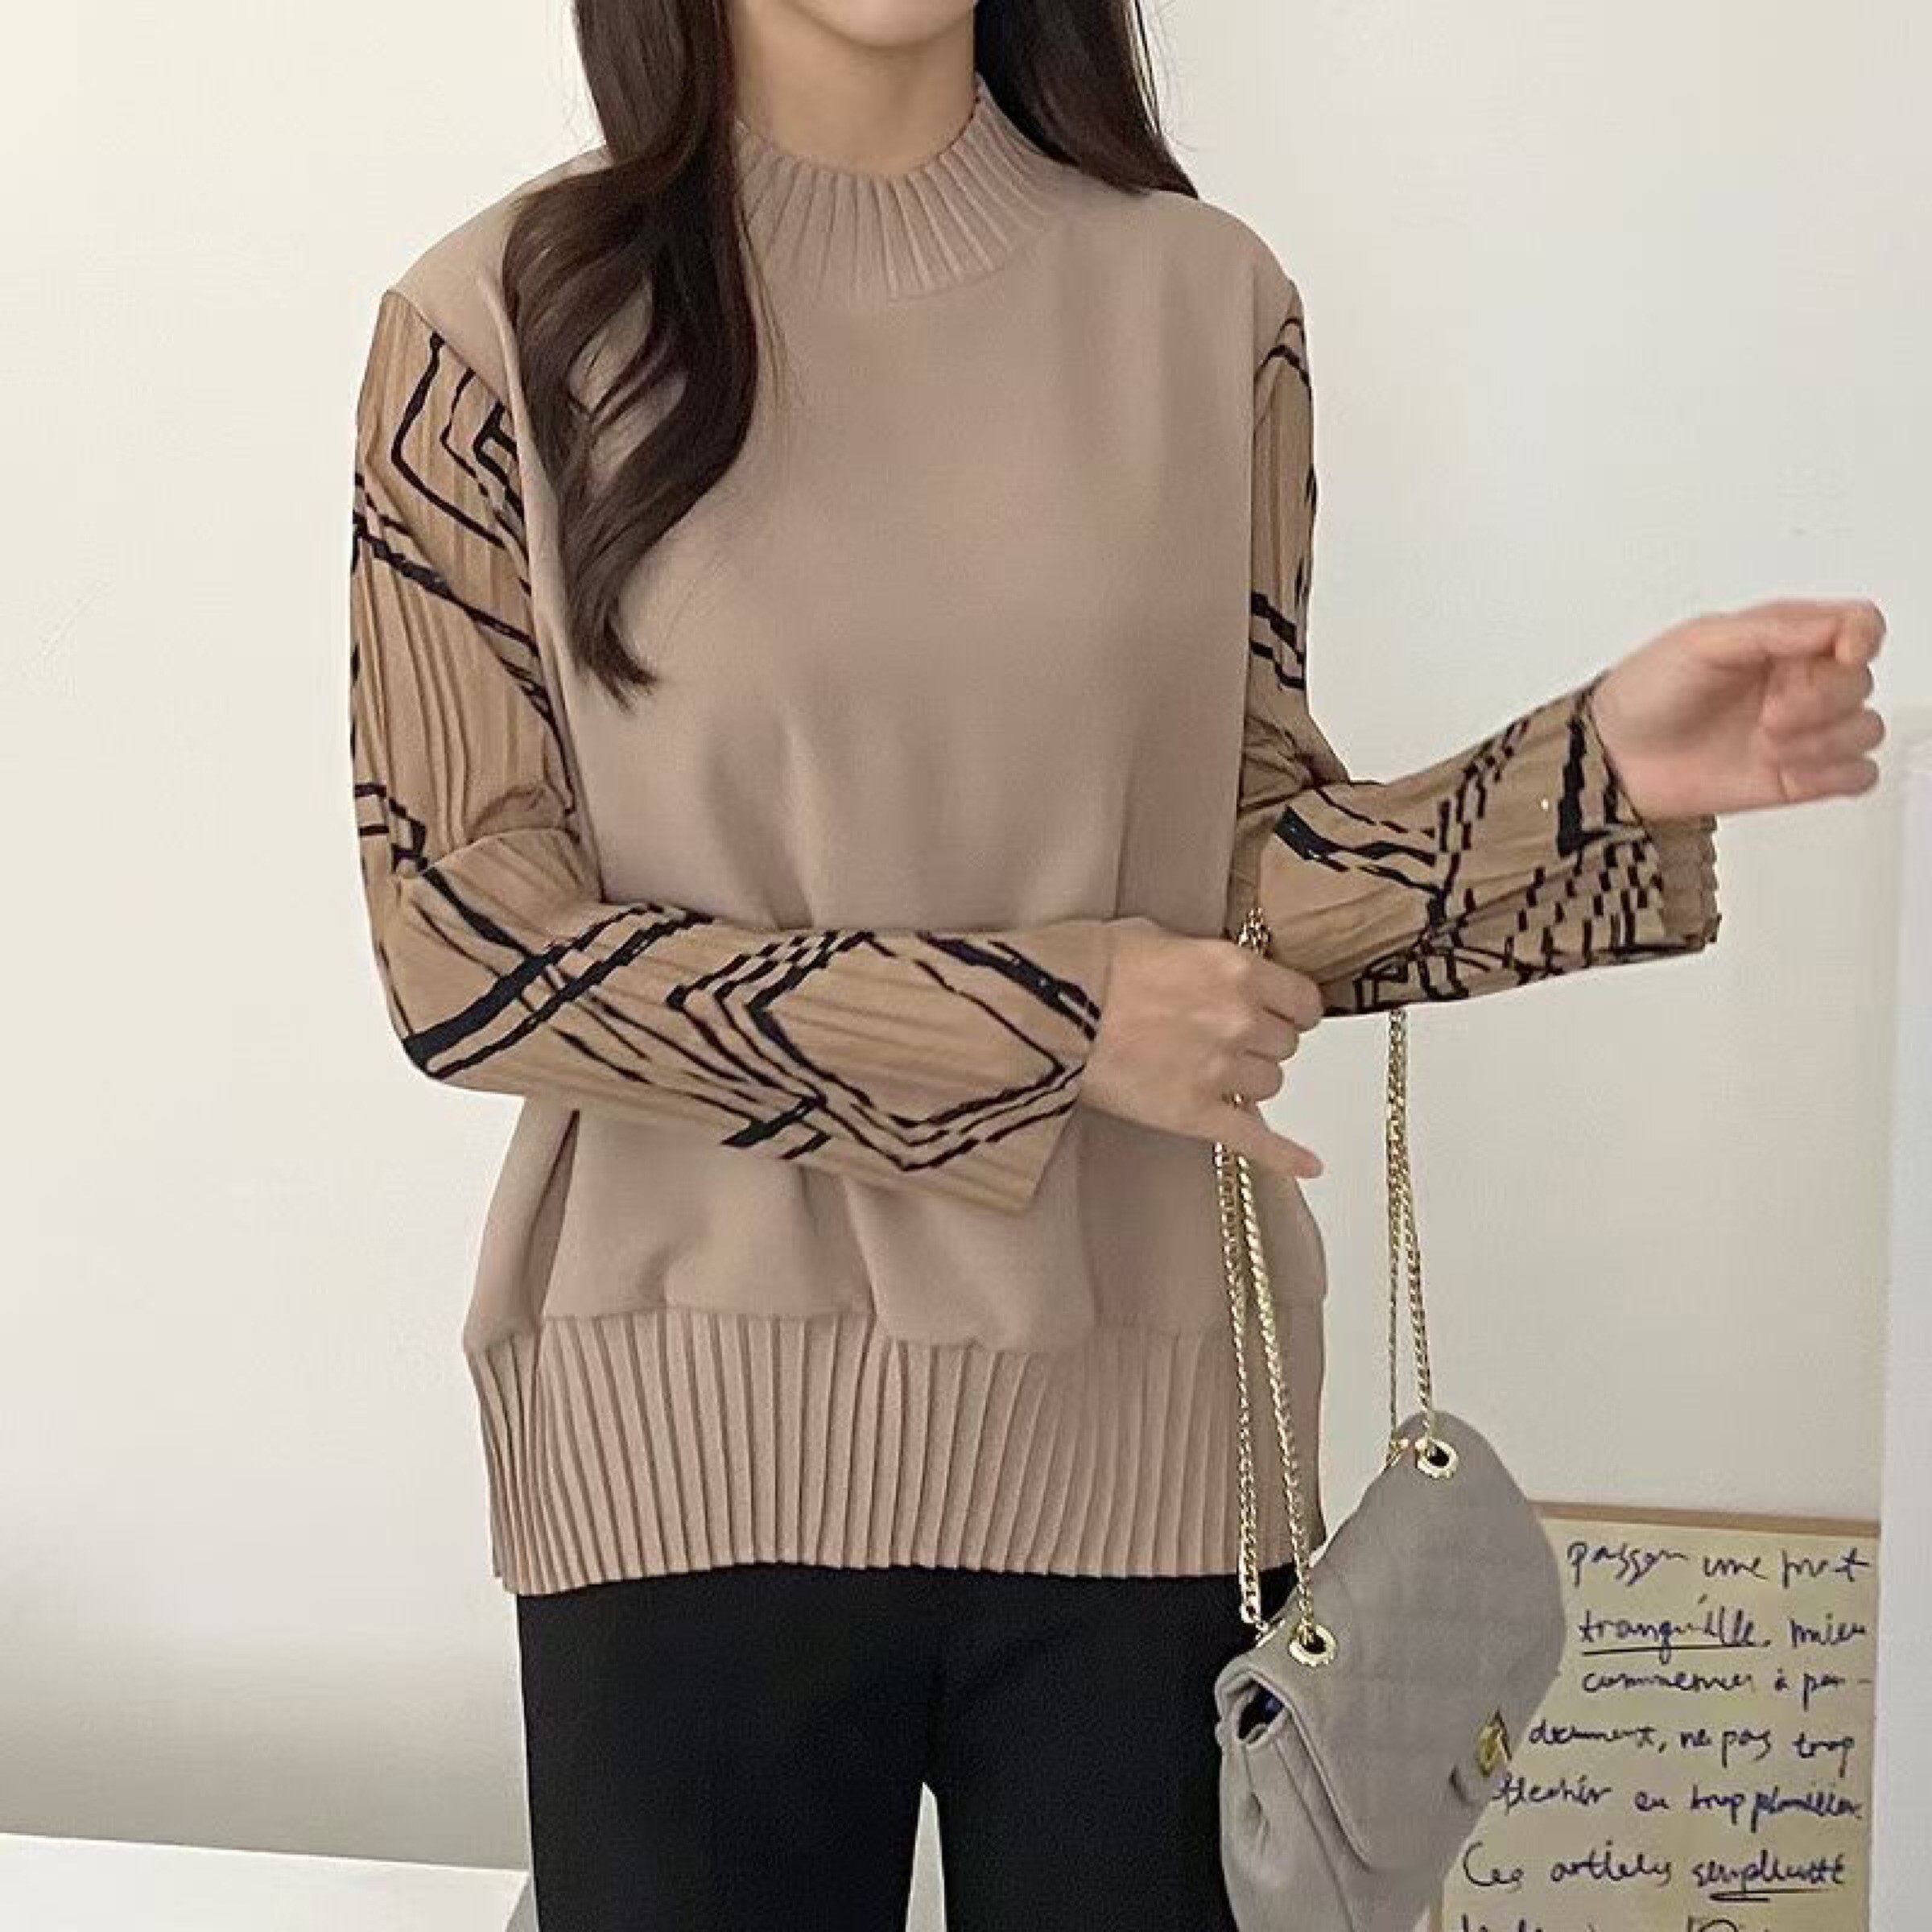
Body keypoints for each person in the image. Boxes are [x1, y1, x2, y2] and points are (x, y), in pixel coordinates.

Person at [343, 6, 1886, 1928]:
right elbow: (466, 948)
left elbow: (1227, 890)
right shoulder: (495, 323)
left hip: (1157, 1438)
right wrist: (1059, 1023)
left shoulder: (1207, 304)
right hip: (687, 1440)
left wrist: (1584, 779)